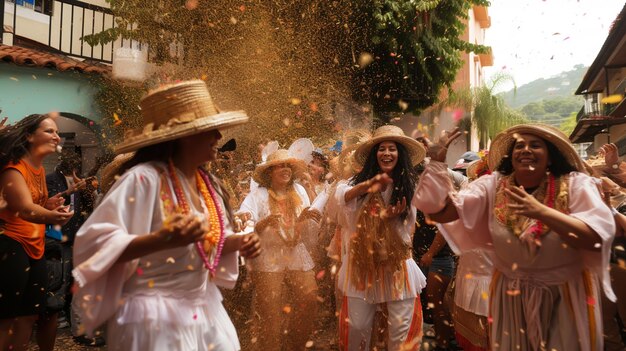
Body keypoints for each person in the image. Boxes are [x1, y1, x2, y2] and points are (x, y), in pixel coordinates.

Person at [71, 80, 261, 351]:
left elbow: (203, 240)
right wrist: (161, 240)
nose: (219, 137)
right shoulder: (143, 179)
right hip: (154, 316)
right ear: (185, 135)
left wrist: (236, 243)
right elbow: (95, 244)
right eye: (210, 130)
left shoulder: (206, 183)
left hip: (204, 309)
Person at [414, 124, 616, 350]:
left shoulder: (575, 184)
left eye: (535, 145)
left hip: (563, 298)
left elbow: (596, 238)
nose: (526, 149)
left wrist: (542, 213)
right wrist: (437, 163)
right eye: (520, 145)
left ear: (550, 157)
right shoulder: (493, 185)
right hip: (509, 298)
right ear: (512, 156)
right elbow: (439, 213)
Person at [333, 125, 427, 351]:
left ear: (400, 154)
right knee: (357, 326)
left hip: (396, 264)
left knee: (400, 329)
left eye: (392, 149)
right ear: (374, 155)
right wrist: (369, 185)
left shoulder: (410, 185)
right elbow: (340, 202)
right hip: (361, 264)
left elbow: (409, 229)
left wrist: (387, 220)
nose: (387, 153)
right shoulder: (353, 185)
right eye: (382, 148)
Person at [0, 113, 74, 351]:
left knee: (29, 315)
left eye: (57, 132)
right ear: (30, 136)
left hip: (36, 245)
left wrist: (48, 206)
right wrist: (53, 216)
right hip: (11, 245)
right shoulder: (14, 168)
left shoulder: (39, 169)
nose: (56, 136)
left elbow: (33, 206)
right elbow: (22, 208)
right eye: (49, 131)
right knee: (6, 318)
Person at [238, 149, 319, 351]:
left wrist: (304, 220)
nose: (285, 170)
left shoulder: (299, 191)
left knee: (309, 298)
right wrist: (263, 223)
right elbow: (246, 223)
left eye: (288, 166)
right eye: (280, 166)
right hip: (268, 258)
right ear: (269, 172)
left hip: (296, 254)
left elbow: (303, 228)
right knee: (270, 313)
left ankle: (296, 346)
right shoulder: (257, 195)